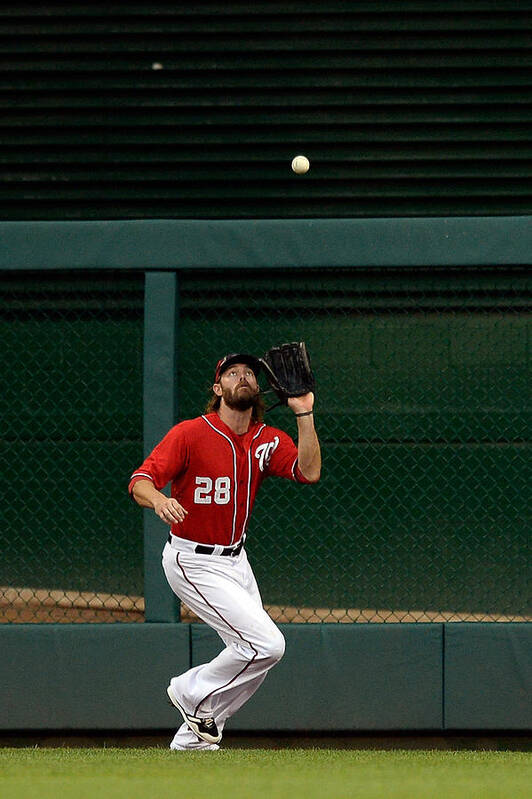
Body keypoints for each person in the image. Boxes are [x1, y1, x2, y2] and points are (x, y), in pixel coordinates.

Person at [128, 352, 321, 750]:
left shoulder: (267, 438)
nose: (242, 377)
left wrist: (304, 413)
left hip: (236, 560)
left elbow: (309, 471)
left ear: (259, 388)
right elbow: (140, 481)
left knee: (255, 654)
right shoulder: (190, 433)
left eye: (249, 372)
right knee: (267, 645)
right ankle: (189, 691)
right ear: (218, 389)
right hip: (192, 560)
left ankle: (193, 740)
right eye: (232, 373)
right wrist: (159, 501)